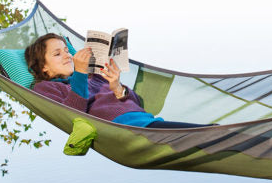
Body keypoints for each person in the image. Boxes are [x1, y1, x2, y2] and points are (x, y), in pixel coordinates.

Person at [26, 32, 202, 128]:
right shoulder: (45, 88)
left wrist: (117, 87)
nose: (67, 56)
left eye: (66, 50)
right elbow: (73, 115)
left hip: (146, 121)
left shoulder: (93, 77)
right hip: (125, 129)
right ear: (43, 67)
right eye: (58, 53)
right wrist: (79, 72)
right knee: (211, 134)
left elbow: (136, 102)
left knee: (213, 133)